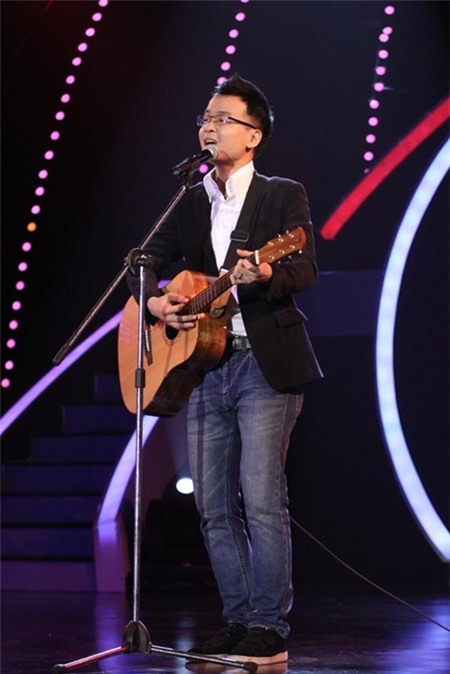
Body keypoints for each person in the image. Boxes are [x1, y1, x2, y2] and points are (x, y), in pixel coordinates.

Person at [127, 73, 323, 666]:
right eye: (205, 119)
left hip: (264, 364)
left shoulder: (281, 194)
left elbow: (304, 268)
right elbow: (141, 263)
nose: (208, 127)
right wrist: (155, 303)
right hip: (205, 366)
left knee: (260, 498)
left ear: (253, 134)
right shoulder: (191, 199)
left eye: (222, 119)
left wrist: (265, 272)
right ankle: (238, 621)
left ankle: (269, 627)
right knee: (212, 505)